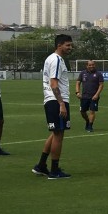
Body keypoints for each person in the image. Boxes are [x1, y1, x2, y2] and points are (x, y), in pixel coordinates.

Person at [33, 34, 74, 179]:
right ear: (59, 45)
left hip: (54, 100)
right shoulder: (56, 60)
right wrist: (61, 104)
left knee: (55, 132)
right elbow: (54, 83)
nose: (70, 48)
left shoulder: (54, 59)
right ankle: (54, 170)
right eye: (68, 45)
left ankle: (41, 166)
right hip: (56, 100)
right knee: (58, 134)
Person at [76, 60, 105, 132]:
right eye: (90, 65)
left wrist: (97, 94)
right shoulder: (83, 73)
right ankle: (87, 121)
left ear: (95, 65)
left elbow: (101, 85)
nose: (91, 66)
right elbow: (78, 83)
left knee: (92, 111)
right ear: (87, 66)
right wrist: (77, 92)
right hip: (84, 96)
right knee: (82, 111)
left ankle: (90, 126)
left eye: (93, 65)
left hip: (94, 96)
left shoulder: (98, 74)